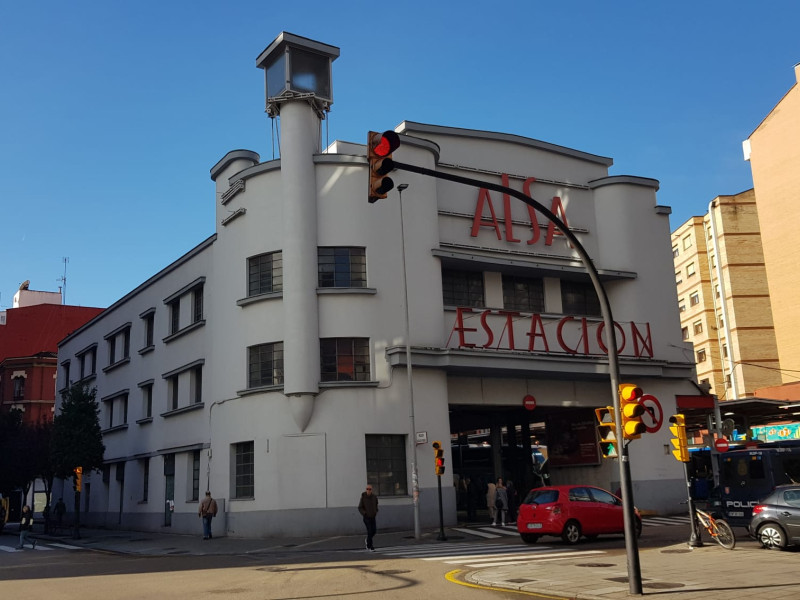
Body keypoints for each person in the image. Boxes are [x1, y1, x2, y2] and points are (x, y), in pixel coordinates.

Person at [358, 483, 378, 551]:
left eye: (370, 489)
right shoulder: (363, 497)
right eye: (367, 489)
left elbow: (376, 504)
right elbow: (360, 507)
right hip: (366, 517)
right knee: (369, 531)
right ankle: (370, 546)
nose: (368, 490)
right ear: (366, 490)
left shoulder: (374, 497)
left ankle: (367, 539)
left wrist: (376, 511)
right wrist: (364, 513)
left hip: (373, 516)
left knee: (374, 531)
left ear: (372, 490)